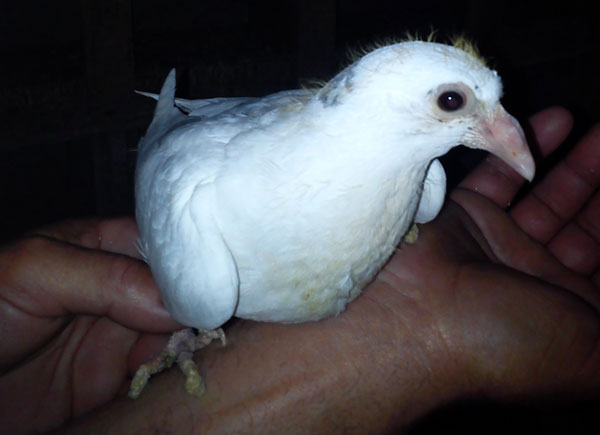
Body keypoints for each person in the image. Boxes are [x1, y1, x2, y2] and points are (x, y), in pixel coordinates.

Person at [0, 107, 598, 433]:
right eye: (452, 103)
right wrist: (425, 340)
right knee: (200, 298)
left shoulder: (423, 182)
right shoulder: (208, 220)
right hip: (204, 156)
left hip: (252, 129)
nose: (505, 129)